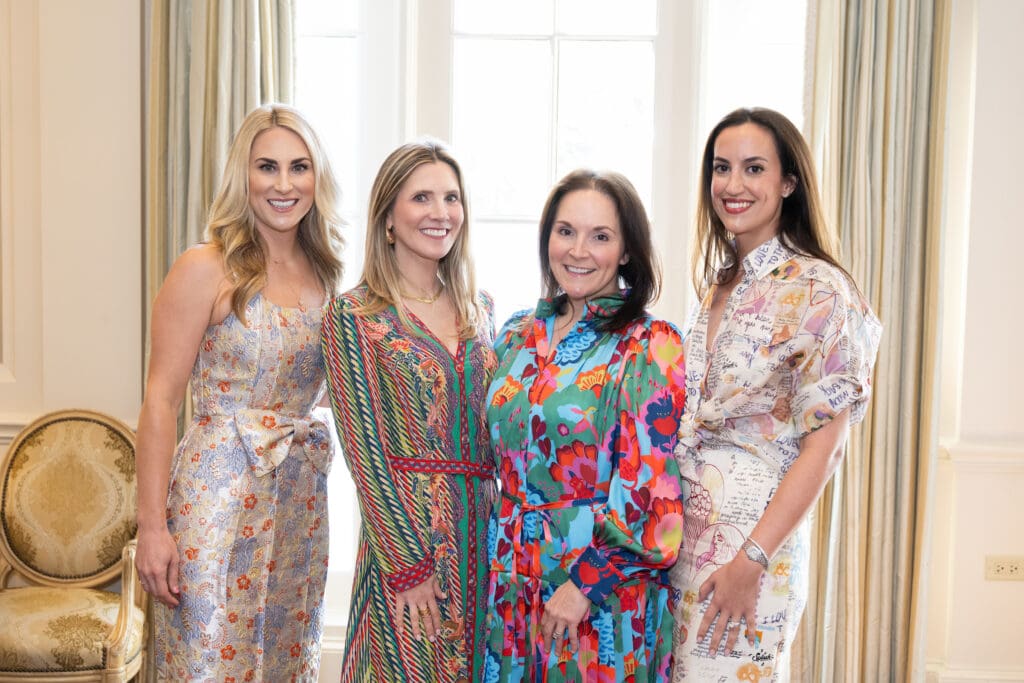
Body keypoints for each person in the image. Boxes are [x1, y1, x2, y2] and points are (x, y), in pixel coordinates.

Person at [669, 107, 882, 681]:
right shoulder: (718, 284)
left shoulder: (820, 288)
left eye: (753, 168)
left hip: (752, 548)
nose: (732, 185)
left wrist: (751, 561)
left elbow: (826, 447)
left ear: (788, 182)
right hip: (685, 541)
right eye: (721, 168)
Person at [134, 104, 345, 681]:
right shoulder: (205, 266)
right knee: (206, 660)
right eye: (266, 167)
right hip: (214, 501)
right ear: (242, 175)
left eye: (299, 167)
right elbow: (159, 402)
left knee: (285, 662)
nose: (283, 184)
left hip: (301, 504)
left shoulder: (328, 277)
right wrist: (151, 528)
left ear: (317, 177)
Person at [483, 169, 687, 681]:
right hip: (507, 586)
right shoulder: (514, 336)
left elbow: (650, 493)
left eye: (600, 236)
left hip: (595, 594)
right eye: (566, 231)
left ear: (625, 252)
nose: (578, 250)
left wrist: (583, 586)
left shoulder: (649, 344)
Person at [321, 139, 497, 682]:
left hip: (485, 541)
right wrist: (407, 567)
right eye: (422, 197)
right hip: (410, 544)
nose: (440, 213)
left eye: (451, 197)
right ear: (389, 218)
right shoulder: (355, 314)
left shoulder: (481, 308)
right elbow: (365, 455)